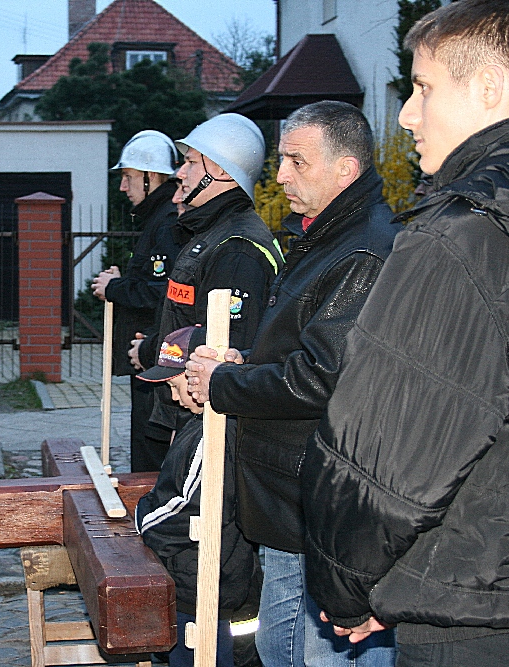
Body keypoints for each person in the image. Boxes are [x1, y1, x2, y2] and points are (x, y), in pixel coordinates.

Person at [299, 1, 509, 665]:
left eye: (423, 88)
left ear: (490, 89)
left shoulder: (461, 241)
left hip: (473, 620)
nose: (409, 114)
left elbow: (383, 462)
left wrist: (351, 591)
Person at [184, 101, 400, 667]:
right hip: (287, 502)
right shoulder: (325, 235)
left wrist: (227, 383)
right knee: (279, 653)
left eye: (296, 161)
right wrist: (243, 361)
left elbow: (324, 377)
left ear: (345, 171)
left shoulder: (363, 250)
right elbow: (301, 346)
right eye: (281, 160)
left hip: (324, 504)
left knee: (313, 655)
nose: (280, 176)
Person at [141, 114, 284, 438]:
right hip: (190, 412)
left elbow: (228, 346)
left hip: (208, 420)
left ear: (219, 170)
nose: (181, 173)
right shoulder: (215, 234)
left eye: (191, 162)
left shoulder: (237, 249)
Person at [136, 325, 258, 667]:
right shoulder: (199, 421)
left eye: (177, 387)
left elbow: (190, 507)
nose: (175, 398)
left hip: (202, 584)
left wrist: (143, 516)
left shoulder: (215, 430)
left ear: (196, 378)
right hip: (205, 578)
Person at [91, 130, 182, 472]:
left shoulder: (167, 222)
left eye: (128, 177)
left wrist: (114, 288)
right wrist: (121, 282)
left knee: (150, 445)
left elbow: (161, 291)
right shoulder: (159, 219)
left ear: (151, 177)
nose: (122, 187)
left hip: (156, 352)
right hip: (147, 352)